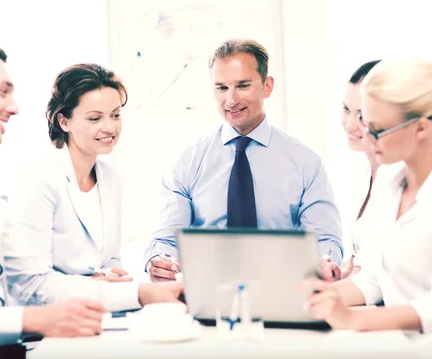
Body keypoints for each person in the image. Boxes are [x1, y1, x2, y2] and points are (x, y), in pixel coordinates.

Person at [0, 39, 183, 359]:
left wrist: (144, 293)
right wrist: (31, 319)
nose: (14, 107)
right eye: (2, 91)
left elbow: (33, 283)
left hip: (3, 350)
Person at [303, 58, 432, 358]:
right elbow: (375, 276)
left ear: (421, 128)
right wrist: (312, 298)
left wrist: (354, 319)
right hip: (405, 342)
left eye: (377, 130)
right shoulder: (393, 187)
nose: (367, 139)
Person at [144, 38, 342, 282]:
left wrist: (325, 263)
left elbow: (325, 240)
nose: (231, 100)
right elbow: (165, 241)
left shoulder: (305, 163)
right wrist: (160, 261)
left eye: (243, 85)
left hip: (284, 291)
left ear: (267, 86)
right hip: (208, 295)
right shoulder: (187, 162)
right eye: (222, 88)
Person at [10, 64, 131, 282]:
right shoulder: (39, 179)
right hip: (54, 309)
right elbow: (28, 280)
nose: (110, 128)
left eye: (115, 115)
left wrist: (114, 276)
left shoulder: (111, 178)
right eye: (95, 118)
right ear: (64, 121)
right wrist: (94, 282)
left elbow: (111, 259)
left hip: (100, 305)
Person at [322, 60, 384, 281]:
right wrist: (341, 272)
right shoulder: (361, 173)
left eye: (361, 115)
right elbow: (362, 261)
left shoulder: (403, 181)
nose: (349, 124)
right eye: (346, 109)